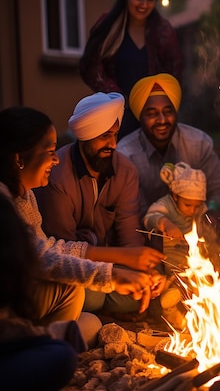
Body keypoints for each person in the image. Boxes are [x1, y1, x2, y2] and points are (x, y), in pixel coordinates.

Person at [0, 106, 166, 337]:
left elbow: (49, 248)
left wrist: (133, 268)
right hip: (14, 302)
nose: (55, 160)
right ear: (19, 159)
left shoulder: (24, 194)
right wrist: (112, 274)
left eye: (115, 135)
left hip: (39, 291)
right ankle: (35, 347)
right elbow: (44, 258)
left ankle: (41, 341)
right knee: (74, 289)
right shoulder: (12, 197)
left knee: (90, 325)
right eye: (49, 152)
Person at [35, 91, 158, 315]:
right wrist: (122, 263)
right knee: (91, 298)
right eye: (104, 136)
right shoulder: (55, 175)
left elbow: (130, 239)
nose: (112, 144)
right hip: (72, 269)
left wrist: (144, 270)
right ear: (86, 135)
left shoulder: (125, 171)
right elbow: (63, 252)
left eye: (115, 135)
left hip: (109, 263)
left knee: (139, 289)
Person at [0, 192, 79, 391]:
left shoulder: (25, 198)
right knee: (61, 356)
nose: (56, 161)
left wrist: (40, 335)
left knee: (62, 341)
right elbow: (48, 256)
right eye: (50, 153)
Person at [79, 0, 183, 137]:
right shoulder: (109, 25)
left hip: (153, 115)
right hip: (117, 114)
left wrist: (158, 101)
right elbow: (90, 66)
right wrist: (117, 97)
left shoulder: (162, 31)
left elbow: (175, 72)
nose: (144, 4)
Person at [117, 73, 220, 221]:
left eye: (168, 112)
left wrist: (209, 213)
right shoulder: (126, 154)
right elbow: (133, 213)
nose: (162, 120)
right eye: (152, 114)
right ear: (140, 116)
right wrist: (160, 223)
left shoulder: (199, 143)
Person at [143, 161, 208, 327]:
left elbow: (206, 223)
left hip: (191, 250)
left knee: (200, 274)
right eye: (188, 205)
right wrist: (166, 223)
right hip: (167, 251)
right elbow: (150, 217)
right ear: (175, 196)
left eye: (197, 206)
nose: (193, 210)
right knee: (174, 272)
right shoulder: (165, 204)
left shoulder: (199, 210)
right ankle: (170, 305)